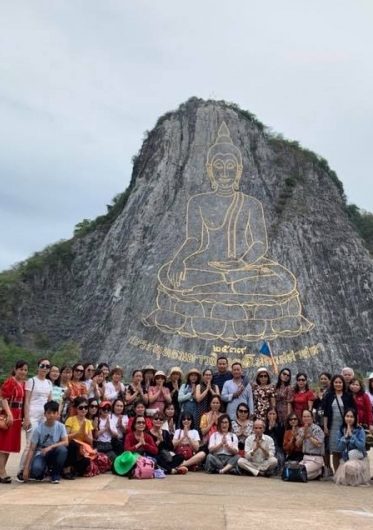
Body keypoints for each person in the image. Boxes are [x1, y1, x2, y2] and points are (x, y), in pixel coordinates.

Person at [142, 122, 313, 342]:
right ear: (210, 170)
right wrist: (178, 260)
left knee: (283, 280)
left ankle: (227, 291)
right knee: (173, 275)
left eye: (230, 165)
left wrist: (241, 264)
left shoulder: (251, 204)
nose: (225, 172)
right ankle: (227, 293)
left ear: (239, 170)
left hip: (244, 269)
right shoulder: (198, 202)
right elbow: (194, 239)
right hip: (206, 267)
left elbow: (260, 244)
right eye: (218, 166)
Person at [0, 360, 28, 483]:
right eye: (21, 369)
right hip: (9, 413)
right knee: (3, 443)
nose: (23, 372)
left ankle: (2, 470)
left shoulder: (24, 384)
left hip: (18, 415)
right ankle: (1, 471)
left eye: (25, 370)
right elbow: (4, 398)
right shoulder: (10, 382)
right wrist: (9, 413)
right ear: (15, 369)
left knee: (9, 444)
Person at [17, 357, 54, 481]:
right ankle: (21, 470)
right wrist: (26, 418)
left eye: (47, 366)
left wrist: (52, 417)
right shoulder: (32, 381)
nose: (44, 368)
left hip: (44, 416)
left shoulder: (49, 383)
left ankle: (35, 469)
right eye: (42, 366)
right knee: (30, 444)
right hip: (32, 415)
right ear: (38, 367)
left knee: (42, 444)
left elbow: (49, 401)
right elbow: (26, 400)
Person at [21, 401, 69, 484]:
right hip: (41, 453)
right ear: (45, 414)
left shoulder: (61, 426)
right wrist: (26, 468)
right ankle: (43, 471)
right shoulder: (38, 429)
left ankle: (55, 473)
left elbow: (66, 442)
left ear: (57, 413)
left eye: (54, 413)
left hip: (53, 451)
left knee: (63, 450)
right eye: (49, 413)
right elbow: (32, 449)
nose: (51, 415)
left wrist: (51, 447)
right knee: (36, 471)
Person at [322, 374, 354, 477]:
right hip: (333, 426)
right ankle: (337, 474)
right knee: (335, 451)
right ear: (333, 383)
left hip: (345, 425)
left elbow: (353, 412)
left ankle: (346, 473)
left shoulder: (348, 396)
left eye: (340, 382)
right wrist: (326, 427)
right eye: (336, 382)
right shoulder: (329, 396)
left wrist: (350, 426)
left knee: (345, 450)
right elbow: (325, 413)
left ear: (343, 384)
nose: (338, 384)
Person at [334, 408, 370, 486]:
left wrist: (352, 436)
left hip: (359, 459)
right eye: (347, 416)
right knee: (343, 479)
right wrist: (345, 437)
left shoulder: (360, 430)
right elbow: (339, 448)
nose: (349, 419)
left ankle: (358, 476)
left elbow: (361, 447)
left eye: (351, 417)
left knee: (349, 467)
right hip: (346, 458)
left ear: (355, 418)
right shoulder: (340, 430)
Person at [64, 396, 93, 477]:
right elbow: (65, 437)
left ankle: (75, 469)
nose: (83, 410)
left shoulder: (88, 422)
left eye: (86, 407)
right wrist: (77, 433)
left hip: (82, 450)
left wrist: (85, 434)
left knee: (87, 461)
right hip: (71, 448)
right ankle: (67, 470)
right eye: (81, 407)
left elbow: (91, 441)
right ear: (76, 409)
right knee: (73, 445)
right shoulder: (71, 420)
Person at [296, 409, 326, 480]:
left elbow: (318, 444)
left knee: (300, 473)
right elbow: (297, 444)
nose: (306, 418)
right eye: (304, 417)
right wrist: (303, 435)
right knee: (296, 473)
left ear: (312, 418)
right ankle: (318, 472)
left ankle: (318, 470)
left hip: (315, 459)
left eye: (308, 416)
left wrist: (309, 436)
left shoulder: (317, 429)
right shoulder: (301, 429)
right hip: (305, 457)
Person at [265, 408, 286, 474]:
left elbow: (281, 438)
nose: (272, 416)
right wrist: (269, 429)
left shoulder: (281, 425)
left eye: (273, 414)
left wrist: (274, 428)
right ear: (267, 415)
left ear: (276, 415)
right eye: (270, 414)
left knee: (279, 457)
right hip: (266, 447)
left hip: (277, 447)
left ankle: (277, 472)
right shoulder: (264, 425)